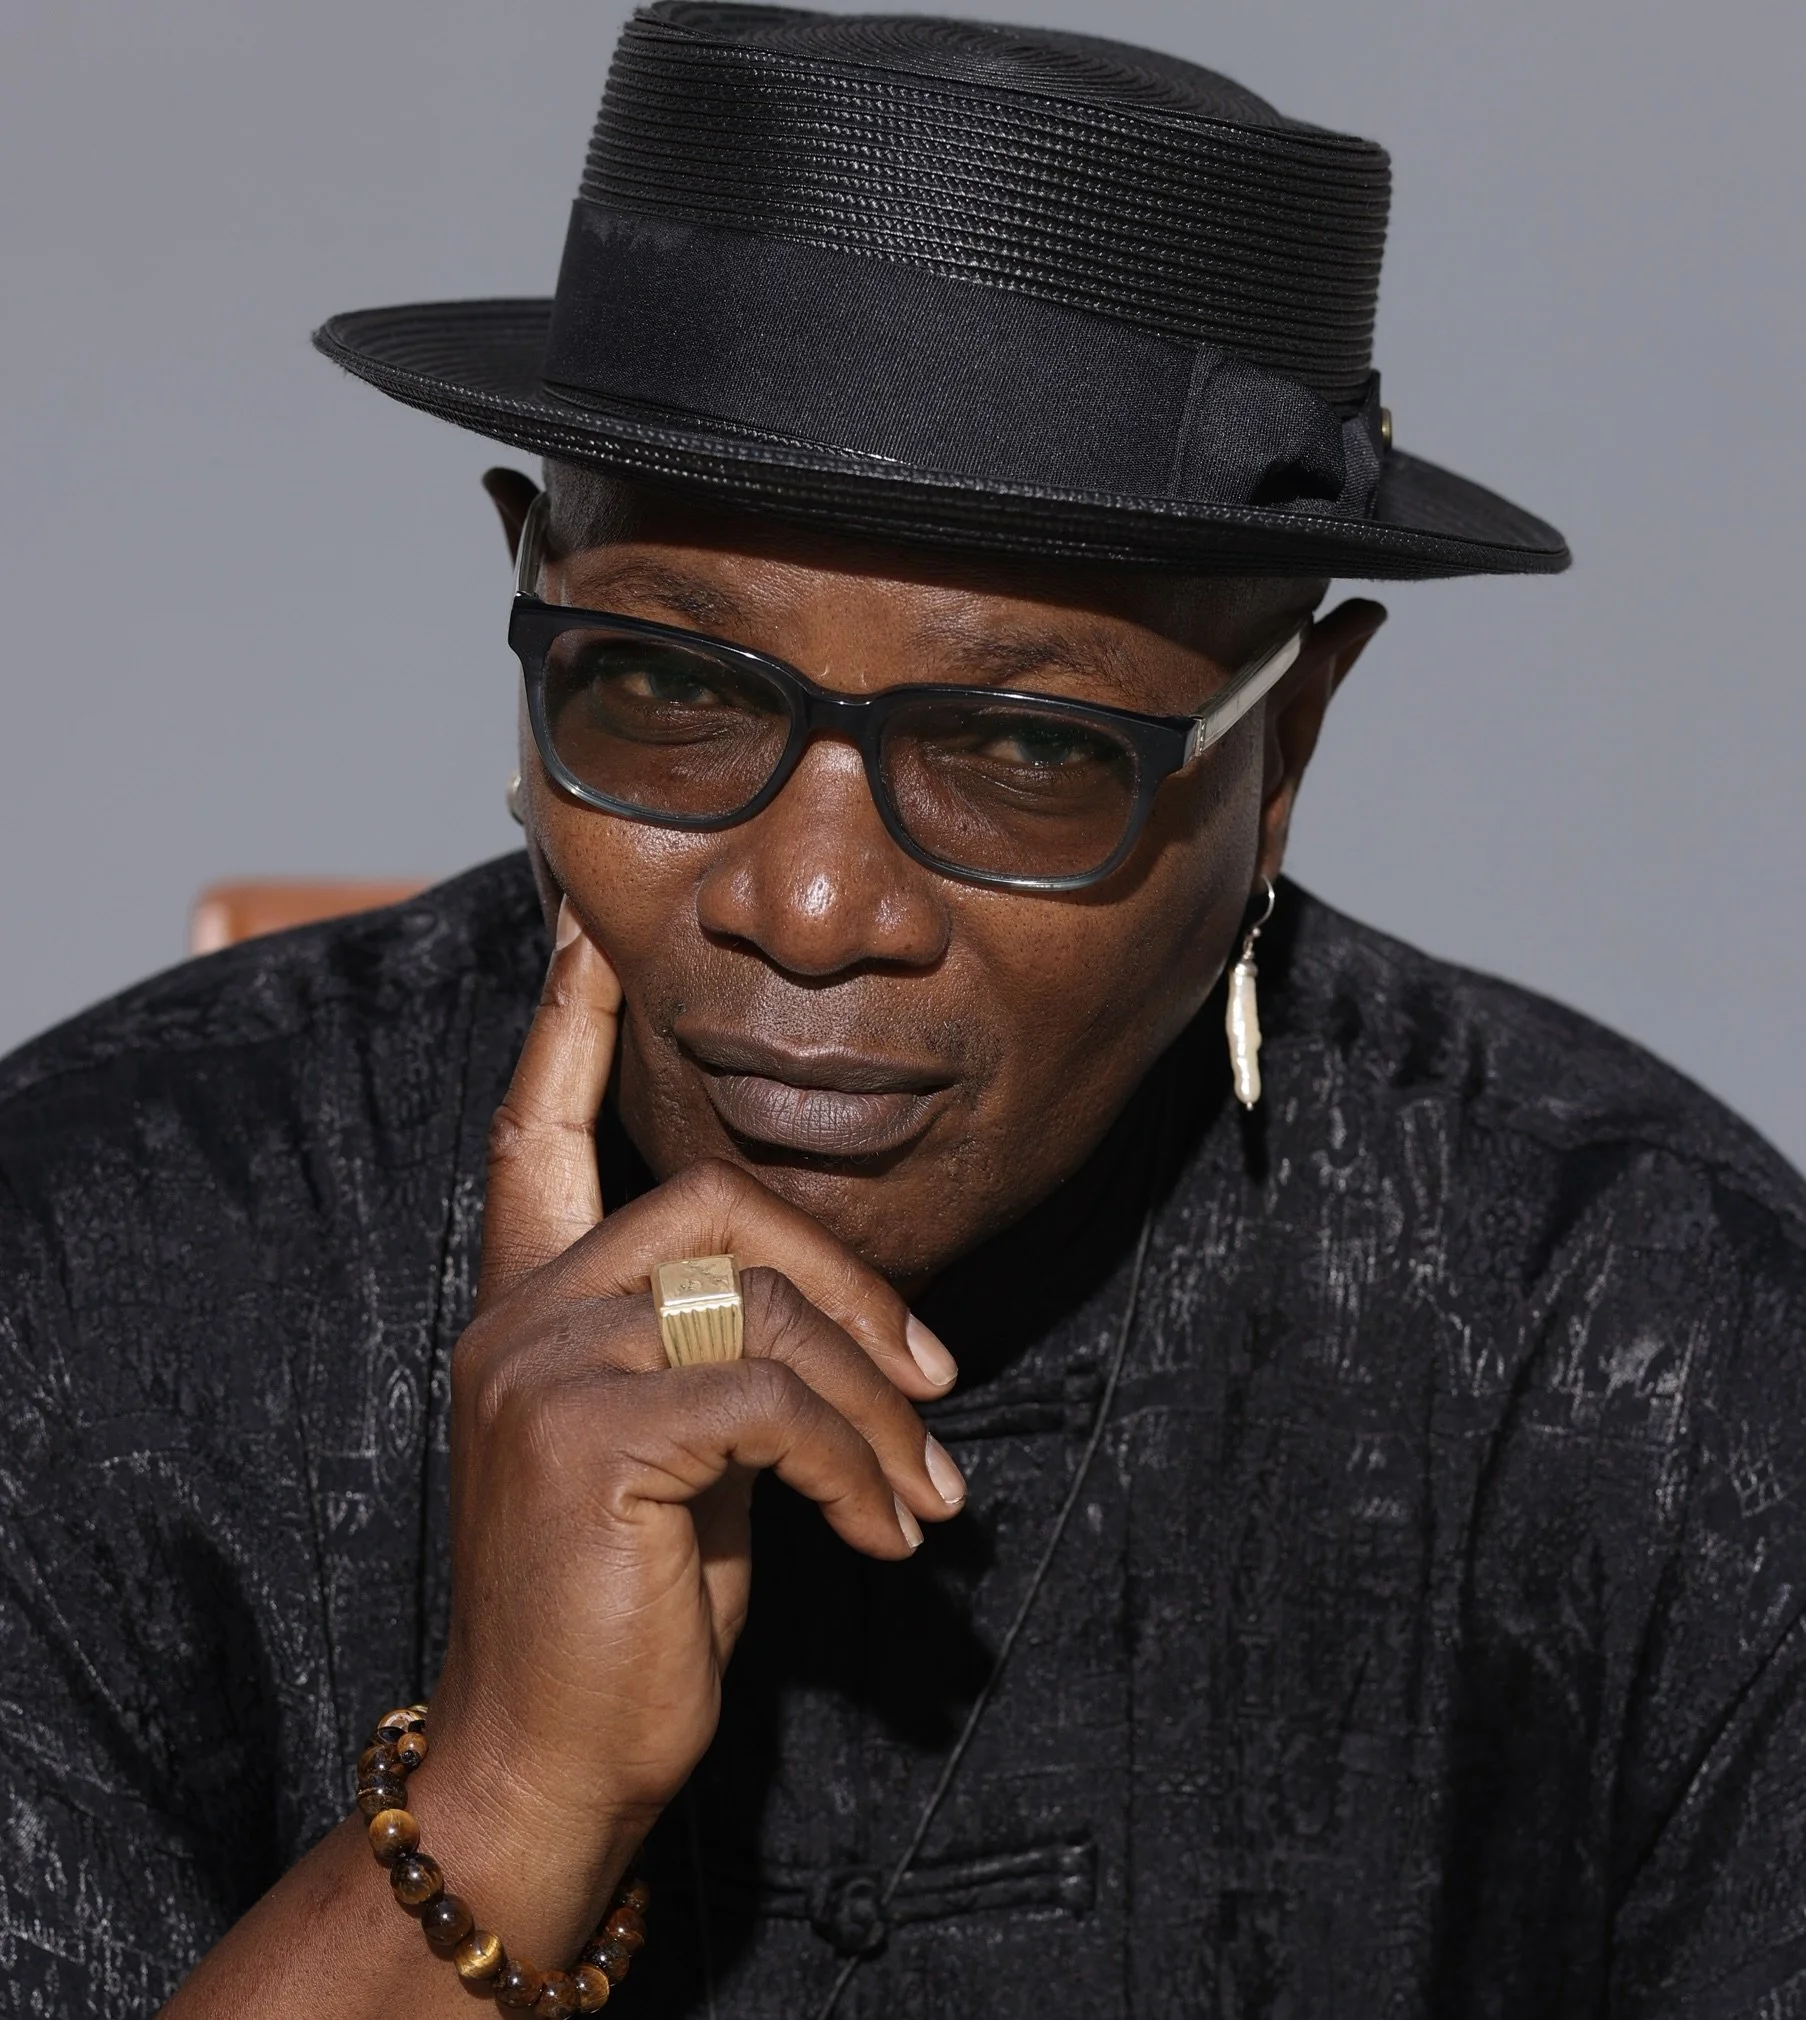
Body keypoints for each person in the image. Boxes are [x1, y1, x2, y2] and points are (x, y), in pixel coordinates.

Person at [4, 5, 1805, 2016]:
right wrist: (509, 1800)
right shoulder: (96, 1269)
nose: (814, 903)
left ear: (1283, 742)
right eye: (667, 692)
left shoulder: (1651, 1343)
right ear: (525, 608)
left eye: (1025, 749)